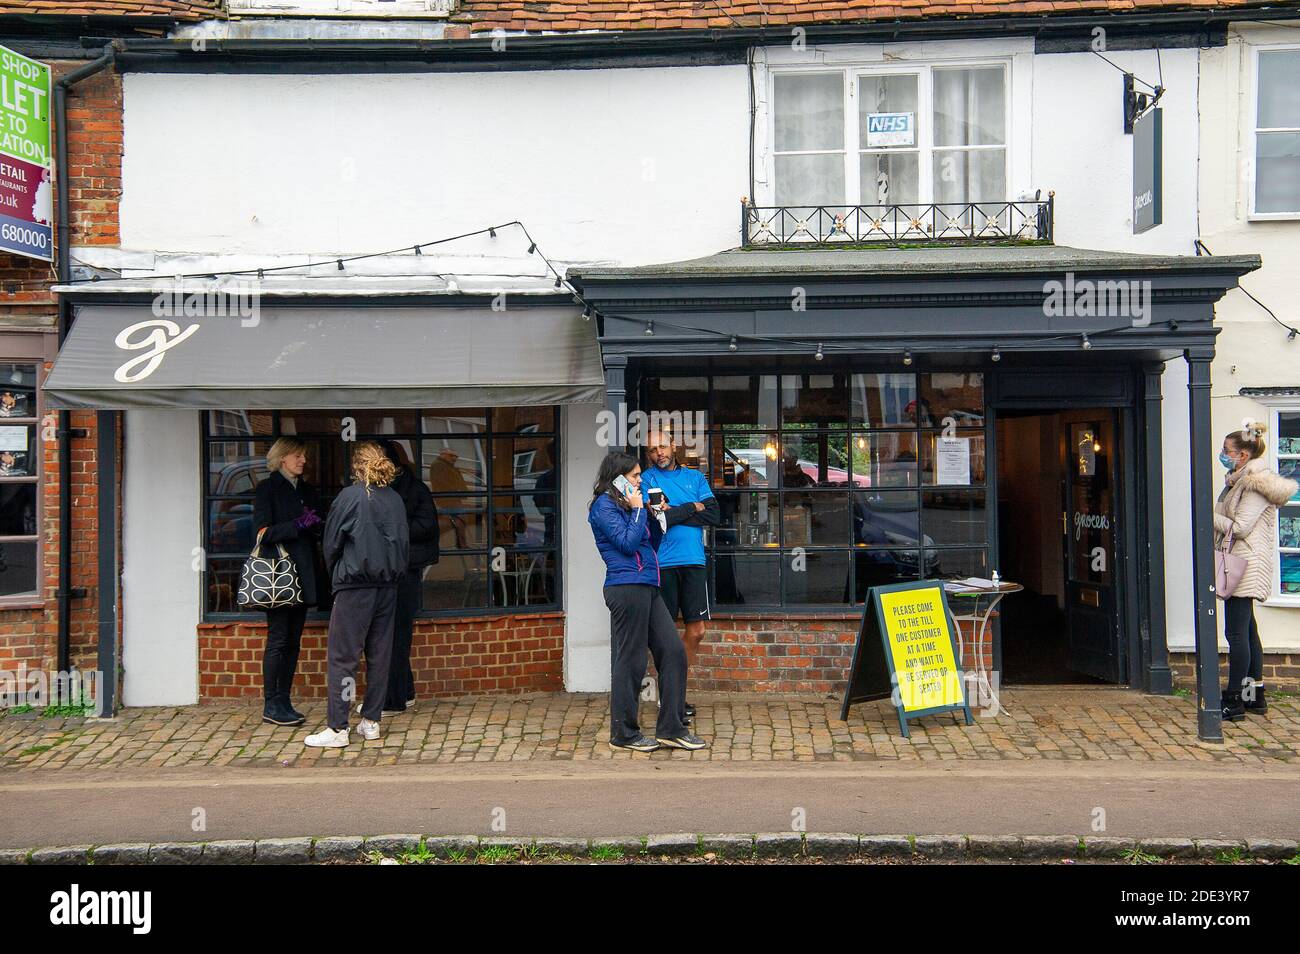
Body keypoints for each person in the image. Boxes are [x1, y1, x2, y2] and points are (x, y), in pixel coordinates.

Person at [588, 451, 705, 752]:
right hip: (626, 587)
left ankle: (672, 728)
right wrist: (639, 511)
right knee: (632, 661)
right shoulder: (603, 506)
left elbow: (650, 544)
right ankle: (624, 734)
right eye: (634, 477)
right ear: (617, 479)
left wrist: (655, 516)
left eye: (639, 476)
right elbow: (626, 544)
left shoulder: (630, 506)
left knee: (674, 651)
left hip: (648, 585)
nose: (640, 481)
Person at [306, 442, 410, 748]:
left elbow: (331, 542)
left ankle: (338, 727)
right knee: (380, 655)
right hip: (388, 586)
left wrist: (335, 574)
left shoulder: (350, 497)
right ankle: (371, 722)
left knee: (343, 657)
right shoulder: (394, 499)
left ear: (356, 466)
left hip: (354, 585)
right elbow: (404, 545)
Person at [1214, 419, 1298, 722]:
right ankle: (1255, 695)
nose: (1223, 454)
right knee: (1248, 630)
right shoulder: (1237, 482)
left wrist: (1208, 517)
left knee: (1236, 633)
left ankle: (1234, 699)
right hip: (1242, 560)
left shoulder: (1253, 486)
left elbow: (1241, 527)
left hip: (1243, 564)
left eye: (1227, 450)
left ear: (1243, 455)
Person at [640, 429, 720, 723]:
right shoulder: (648, 479)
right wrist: (690, 507)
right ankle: (671, 700)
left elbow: (713, 515)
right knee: (665, 635)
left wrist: (673, 512)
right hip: (663, 564)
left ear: (673, 446)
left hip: (693, 561)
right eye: (652, 450)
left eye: (662, 446)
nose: (658, 453)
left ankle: (674, 693)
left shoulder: (695, 478)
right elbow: (656, 519)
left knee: (697, 631)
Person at [253, 437, 326, 727]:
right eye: (297, 455)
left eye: (303, 456)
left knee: (293, 640)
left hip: (304, 572)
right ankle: (271, 703)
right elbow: (262, 533)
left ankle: (284, 699)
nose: (303, 460)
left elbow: (320, 522)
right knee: (279, 638)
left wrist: (316, 523)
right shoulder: (267, 489)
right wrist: (296, 526)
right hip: (278, 575)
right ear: (282, 458)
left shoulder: (306, 489)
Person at [379, 440, 439, 713]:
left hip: (405, 568)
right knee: (391, 633)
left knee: (397, 633)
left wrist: (392, 530)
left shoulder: (414, 489)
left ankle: (395, 698)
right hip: (389, 566)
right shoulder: (385, 489)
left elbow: (426, 526)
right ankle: (405, 692)